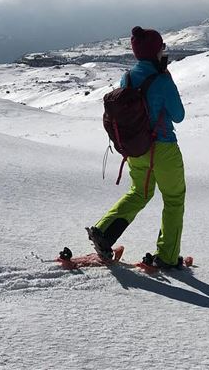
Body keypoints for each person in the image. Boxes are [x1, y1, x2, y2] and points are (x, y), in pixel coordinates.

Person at [87, 26, 186, 269]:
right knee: (173, 199)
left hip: (136, 149)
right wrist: (168, 78)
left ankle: (103, 232)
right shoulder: (162, 80)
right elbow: (179, 115)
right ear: (156, 51)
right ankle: (168, 256)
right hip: (163, 149)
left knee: (140, 193)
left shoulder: (127, 78)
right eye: (162, 48)